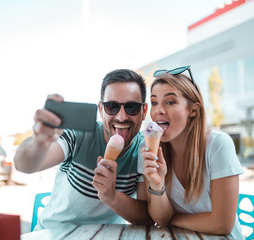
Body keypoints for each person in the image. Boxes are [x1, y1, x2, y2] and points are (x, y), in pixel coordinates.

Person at [14, 69, 153, 230]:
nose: (121, 117)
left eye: (132, 107)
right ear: (100, 109)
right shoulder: (79, 135)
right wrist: (39, 141)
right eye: (112, 106)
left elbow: (146, 218)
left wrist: (111, 196)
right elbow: (24, 165)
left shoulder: (144, 149)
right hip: (55, 233)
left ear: (144, 112)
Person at [139, 66, 244, 239]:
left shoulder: (218, 144)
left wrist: (173, 219)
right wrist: (157, 185)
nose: (159, 110)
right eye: (155, 102)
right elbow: (160, 218)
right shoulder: (148, 148)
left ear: (193, 111)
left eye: (170, 102)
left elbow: (222, 224)